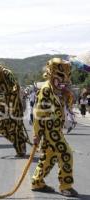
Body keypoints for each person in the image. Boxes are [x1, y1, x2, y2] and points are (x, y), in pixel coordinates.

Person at [31, 58, 78, 197]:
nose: (65, 81)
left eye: (67, 77)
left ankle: (37, 182)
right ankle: (66, 186)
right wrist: (37, 134)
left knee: (49, 158)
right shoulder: (46, 90)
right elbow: (39, 114)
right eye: (60, 77)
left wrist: (66, 94)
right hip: (50, 130)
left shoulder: (58, 89)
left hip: (57, 130)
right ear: (51, 74)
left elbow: (66, 106)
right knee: (66, 154)